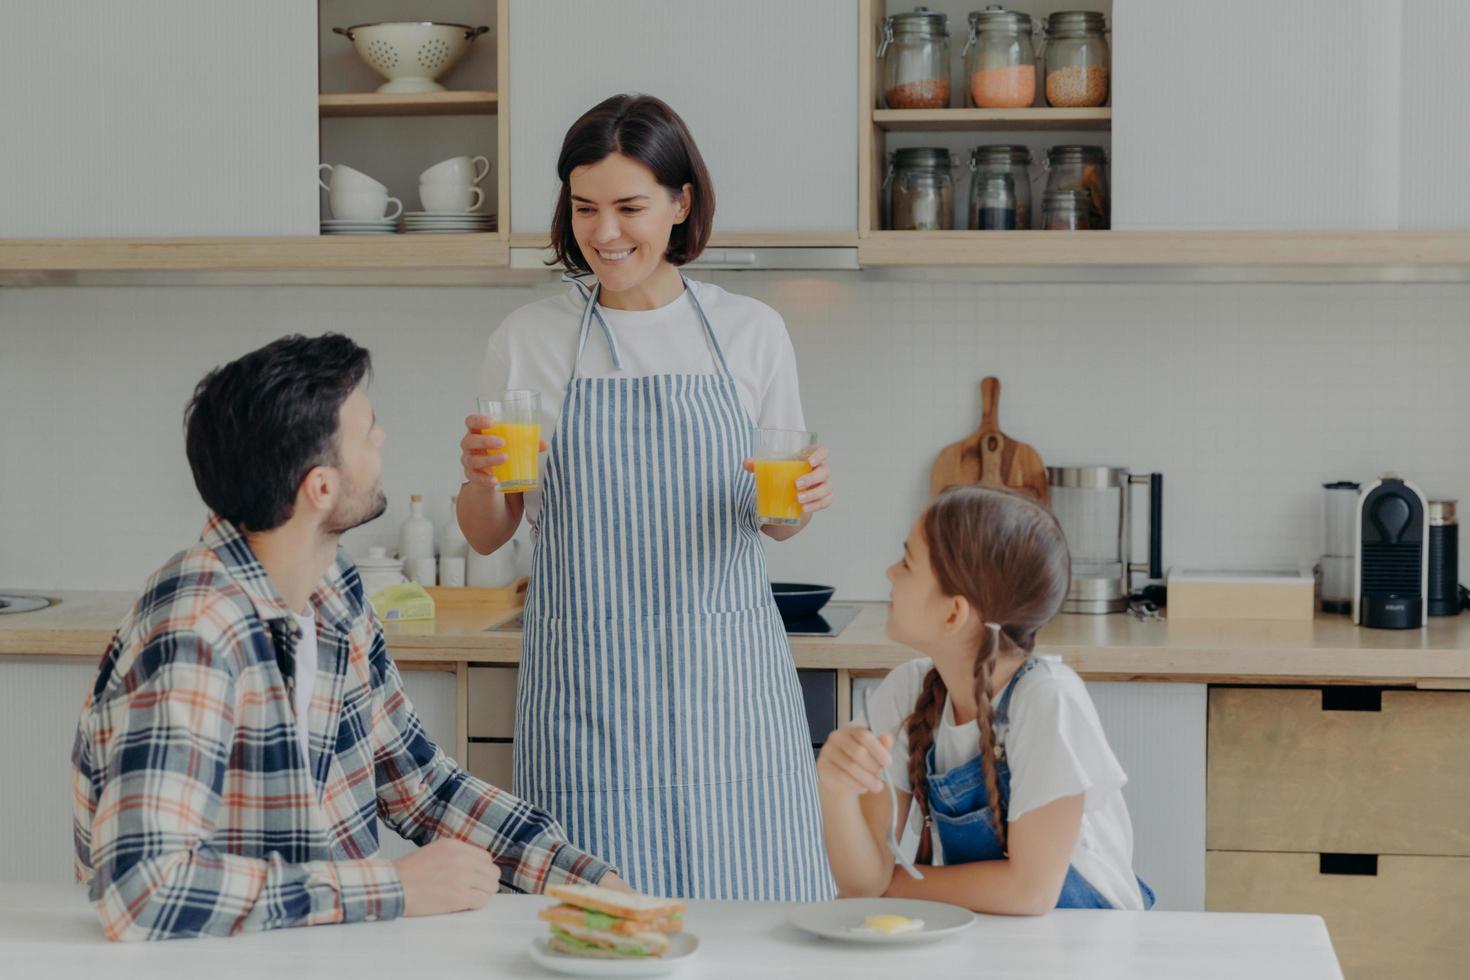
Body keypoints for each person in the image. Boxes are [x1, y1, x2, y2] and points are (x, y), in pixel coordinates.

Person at [71, 333, 623, 942]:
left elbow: (420, 785)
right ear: (322, 488)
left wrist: (582, 878)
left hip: (319, 953)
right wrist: (395, 888)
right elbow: (144, 885)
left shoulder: (332, 591)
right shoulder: (197, 624)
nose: (381, 438)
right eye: (366, 433)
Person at [455, 94, 833, 900]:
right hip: (588, 700)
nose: (605, 232)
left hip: (728, 697)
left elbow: (776, 519)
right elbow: (490, 534)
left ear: (681, 202)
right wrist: (481, 480)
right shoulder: (527, 340)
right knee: (594, 926)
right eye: (584, 208)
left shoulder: (750, 331)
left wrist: (800, 498)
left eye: (629, 206)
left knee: (750, 926)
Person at [818, 485, 1155, 912]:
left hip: (1086, 935)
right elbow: (863, 884)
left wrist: (895, 886)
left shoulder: (1047, 699)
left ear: (953, 614)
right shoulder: (907, 690)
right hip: (997, 933)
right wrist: (834, 789)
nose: (889, 572)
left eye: (906, 563)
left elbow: (1030, 893)